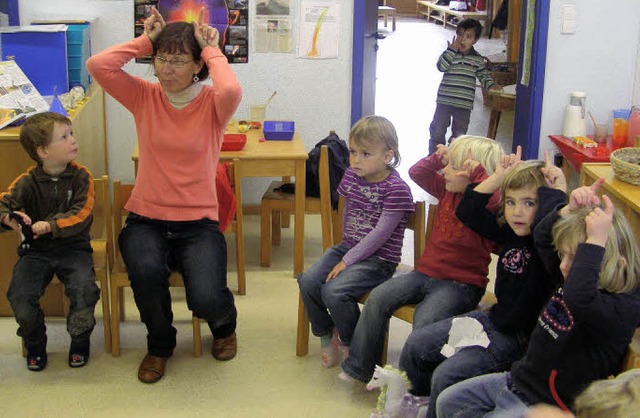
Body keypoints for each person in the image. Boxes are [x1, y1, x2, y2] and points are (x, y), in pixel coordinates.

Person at [87, 7, 242, 384]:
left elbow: (232, 88)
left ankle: (223, 326)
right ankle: (159, 345)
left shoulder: (212, 105)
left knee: (205, 297)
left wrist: (212, 49)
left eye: (178, 61)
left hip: (198, 222)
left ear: (197, 66)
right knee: (144, 272)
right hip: (146, 219)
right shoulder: (143, 96)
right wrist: (145, 40)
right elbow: (98, 65)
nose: (167, 69)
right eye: (161, 59)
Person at [436, 181, 640, 417]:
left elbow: (579, 298)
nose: (562, 265)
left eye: (575, 258)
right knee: (447, 402)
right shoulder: (572, 275)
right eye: (563, 255)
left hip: (547, 404)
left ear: (609, 262)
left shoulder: (621, 305)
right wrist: (568, 211)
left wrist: (595, 242)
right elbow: (542, 237)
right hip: (517, 381)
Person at [399, 154, 568, 418]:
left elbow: (552, 227)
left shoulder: (549, 246)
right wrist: (498, 178)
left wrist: (557, 192)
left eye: (529, 203)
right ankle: (423, 401)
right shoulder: (509, 232)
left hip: (518, 340)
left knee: (446, 374)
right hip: (493, 319)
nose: (517, 212)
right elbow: (468, 209)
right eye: (510, 202)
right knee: (416, 344)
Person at [340, 135, 504, 384]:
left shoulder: (488, 203)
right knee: (378, 298)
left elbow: (491, 195)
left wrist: (481, 176)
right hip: (424, 273)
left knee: (425, 320)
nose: (445, 171)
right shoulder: (446, 191)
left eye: (454, 167)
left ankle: (417, 384)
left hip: (460, 285)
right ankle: (360, 367)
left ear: (475, 174)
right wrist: (440, 157)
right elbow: (417, 173)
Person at [297, 115, 415, 368]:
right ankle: (328, 332)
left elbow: (379, 235)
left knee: (334, 291)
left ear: (388, 156)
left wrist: (346, 262)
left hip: (379, 259)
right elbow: (346, 211)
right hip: (349, 247)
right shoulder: (351, 175)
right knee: (307, 281)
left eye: (365, 153)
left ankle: (352, 340)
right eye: (352, 152)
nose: (355, 159)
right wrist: (341, 253)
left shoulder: (396, 189)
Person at [0, 112, 100, 371]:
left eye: (72, 133)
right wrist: (8, 218)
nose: (73, 140)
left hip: (74, 248)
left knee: (84, 289)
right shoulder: (26, 182)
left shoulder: (82, 177)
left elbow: (81, 214)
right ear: (43, 151)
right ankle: (35, 342)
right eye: (64, 137)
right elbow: (4, 204)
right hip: (36, 252)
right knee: (20, 295)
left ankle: (79, 339)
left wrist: (52, 225)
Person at [428, 18, 501, 154]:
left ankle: (454, 157)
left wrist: (491, 86)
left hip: (464, 104)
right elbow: (441, 67)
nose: (462, 40)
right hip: (445, 101)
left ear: (475, 40)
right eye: (460, 35)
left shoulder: (477, 59)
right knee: (437, 130)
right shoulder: (449, 53)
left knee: (460, 135)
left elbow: (483, 76)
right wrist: (450, 50)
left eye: (468, 37)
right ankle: (433, 157)